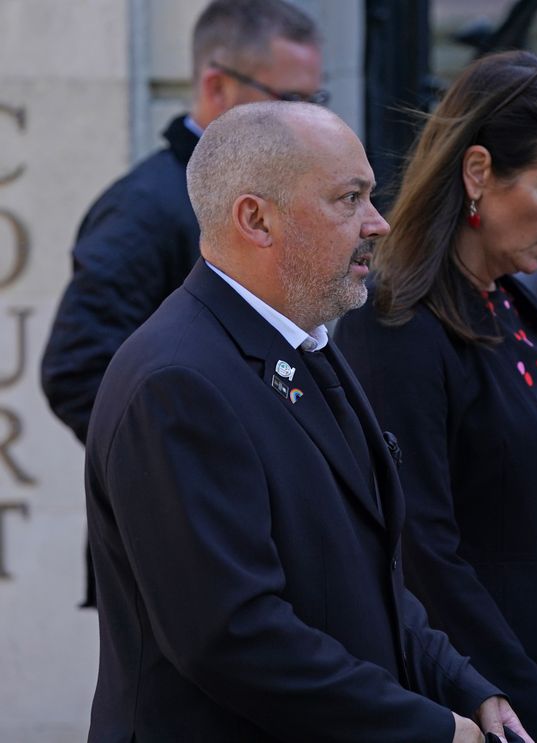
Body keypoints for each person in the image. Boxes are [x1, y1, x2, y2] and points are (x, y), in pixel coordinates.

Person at [85, 100, 531, 743]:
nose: (377, 224)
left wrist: (466, 687)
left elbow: (365, 581)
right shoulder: (176, 383)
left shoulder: (304, 344)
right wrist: (433, 730)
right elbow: (235, 637)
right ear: (255, 219)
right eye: (349, 199)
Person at [335, 49, 537, 743]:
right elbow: (422, 554)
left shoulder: (517, 303)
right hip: (480, 705)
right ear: (479, 172)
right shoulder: (396, 326)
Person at [41, 0, 326, 607]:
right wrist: (197, 475)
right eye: (289, 101)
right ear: (217, 86)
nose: (307, 122)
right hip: (189, 557)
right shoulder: (145, 207)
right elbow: (76, 368)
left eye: (316, 102)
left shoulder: (257, 195)